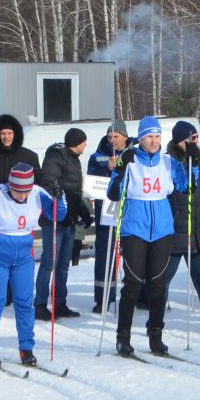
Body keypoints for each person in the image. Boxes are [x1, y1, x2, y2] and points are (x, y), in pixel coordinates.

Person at [109, 117, 190, 356]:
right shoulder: (130, 159)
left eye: (157, 137)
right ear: (141, 138)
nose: (153, 141)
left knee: (158, 284)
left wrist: (190, 161)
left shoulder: (168, 162)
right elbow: (113, 193)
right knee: (133, 284)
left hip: (163, 229)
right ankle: (123, 337)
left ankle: (156, 335)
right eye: (149, 137)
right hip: (135, 227)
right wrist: (121, 169)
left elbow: (187, 186)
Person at [0, 161, 57, 367]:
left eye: (25, 192)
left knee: (24, 302)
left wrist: (60, 197)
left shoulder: (38, 193)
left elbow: (58, 214)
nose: (21, 196)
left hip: (23, 254)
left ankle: (26, 348)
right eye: (17, 191)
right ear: (10, 185)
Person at [35, 128, 92, 321]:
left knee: (63, 265)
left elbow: (74, 191)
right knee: (49, 263)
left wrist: (83, 212)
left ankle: (60, 303)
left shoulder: (74, 160)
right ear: (76, 142)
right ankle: (40, 304)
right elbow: (49, 185)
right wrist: (60, 210)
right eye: (84, 141)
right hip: (54, 220)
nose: (85, 145)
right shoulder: (57, 156)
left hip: (69, 220)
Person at [165, 120, 200, 332]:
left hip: (197, 231)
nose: (195, 142)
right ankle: (155, 321)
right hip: (175, 231)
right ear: (179, 141)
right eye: (190, 139)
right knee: (162, 279)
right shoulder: (170, 164)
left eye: (196, 138)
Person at [84, 125, 129, 313]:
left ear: (125, 137)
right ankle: (103, 298)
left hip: (130, 209)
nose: (112, 140)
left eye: (116, 136)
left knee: (134, 254)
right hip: (108, 210)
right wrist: (107, 167)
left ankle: (138, 295)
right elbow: (91, 178)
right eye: (109, 136)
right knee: (105, 255)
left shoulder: (134, 151)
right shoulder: (98, 155)